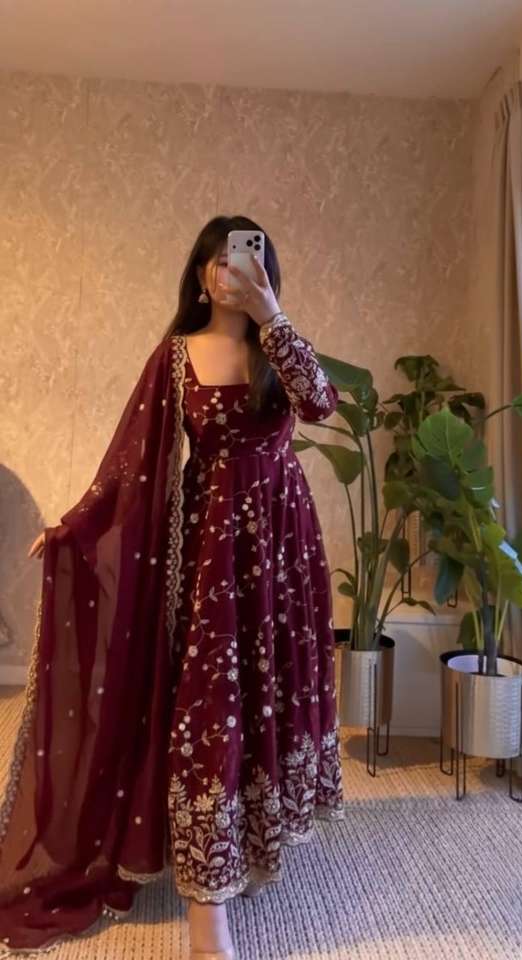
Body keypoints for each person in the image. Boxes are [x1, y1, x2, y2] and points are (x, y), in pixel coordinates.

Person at [0, 215, 345, 959]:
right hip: (211, 554)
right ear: (200, 277)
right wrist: (76, 527)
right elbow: (129, 463)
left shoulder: (278, 348)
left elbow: (321, 403)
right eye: (221, 261)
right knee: (208, 709)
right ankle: (205, 903)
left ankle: (251, 845)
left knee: (269, 693)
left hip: (283, 549)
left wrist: (272, 318)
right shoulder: (177, 355)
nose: (234, 271)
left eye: (248, 259)